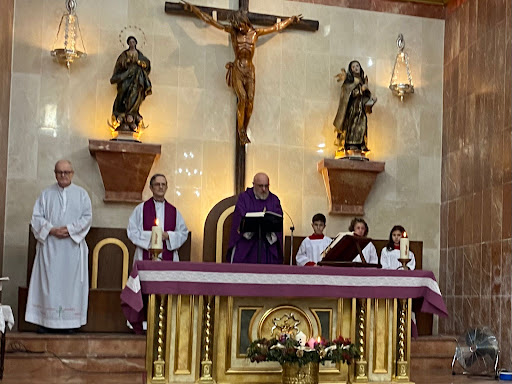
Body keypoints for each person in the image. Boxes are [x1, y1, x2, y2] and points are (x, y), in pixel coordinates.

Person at [182, 1, 302, 145]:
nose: (239, 28)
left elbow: (276, 27)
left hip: (250, 70)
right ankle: (241, 131)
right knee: (243, 98)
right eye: (237, 26)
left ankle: (244, 128)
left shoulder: (255, 33)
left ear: (245, 22)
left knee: (250, 100)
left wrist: (290, 20)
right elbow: (211, 21)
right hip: (238, 68)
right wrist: (194, 10)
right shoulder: (233, 32)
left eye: (240, 25)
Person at [25, 160, 92, 333]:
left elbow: (87, 217)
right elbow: (36, 218)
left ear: (72, 173)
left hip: (72, 249)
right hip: (50, 248)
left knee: (70, 286)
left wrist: (70, 230)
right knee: (48, 284)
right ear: (55, 173)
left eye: (66, 172)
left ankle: (70, 323)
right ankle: (46, 322)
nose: (63, 175)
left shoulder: (82, 194)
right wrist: (51, 230)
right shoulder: (46, 194)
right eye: (60, 172)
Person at [127, 174, 188, 262]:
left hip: (168, 258)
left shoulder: (174, 211)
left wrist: (168, 236)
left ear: (166, 187)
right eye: (157, 184)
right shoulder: (140, 209)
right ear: (151, 188)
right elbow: (131, 231)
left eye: (163, 184)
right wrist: (152, 236)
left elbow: (183, 233)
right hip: (144, 256)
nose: (160, 187)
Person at [228, 172, 283, 264]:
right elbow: (239, 219)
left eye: (266, 186)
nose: (264, 189)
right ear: (253, 184)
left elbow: (279, 219)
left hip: (267, 245)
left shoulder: (274, 200)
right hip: (247, 245)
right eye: (260, 186)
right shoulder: (244, 198)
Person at [333, 60, 377, 155]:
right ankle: (349, 144)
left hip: (361, 108)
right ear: (351, 70)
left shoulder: (362, 80)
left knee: (362, 124)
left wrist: (371, 98)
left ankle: (360, 144)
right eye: (353, 67)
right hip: (352, 108)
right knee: (352, 125)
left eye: (357, 66)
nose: (356, 68)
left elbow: (366, 93)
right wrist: (360, 90)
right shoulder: (349, 82)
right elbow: (349, 94)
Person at [110, 36, 152, 132]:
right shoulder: (124, 54)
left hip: (137, 78)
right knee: (123, 93)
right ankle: (122, 114)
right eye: (130, 42)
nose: (131, 43)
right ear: (128, 44)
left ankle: (131, 114)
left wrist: (140, 63)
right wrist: (126, 62)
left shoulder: (139, 54)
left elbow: (147, 64)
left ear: (135, 43)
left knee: (135, 94)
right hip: (126, 77)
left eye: (133, 42)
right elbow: (119, 65)